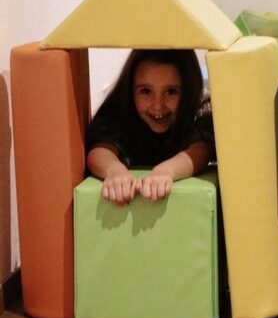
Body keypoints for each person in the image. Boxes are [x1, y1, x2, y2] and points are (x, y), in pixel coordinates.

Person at [86, 49, 215, 205]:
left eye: (171, 91)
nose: (157, 105)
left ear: (189, 91)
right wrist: (113, 170)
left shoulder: (199, 107)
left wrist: (166, 171)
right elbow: (100, 148)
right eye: (146, 91)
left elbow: (201, 150)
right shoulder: (120, 108)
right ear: (130, 89)